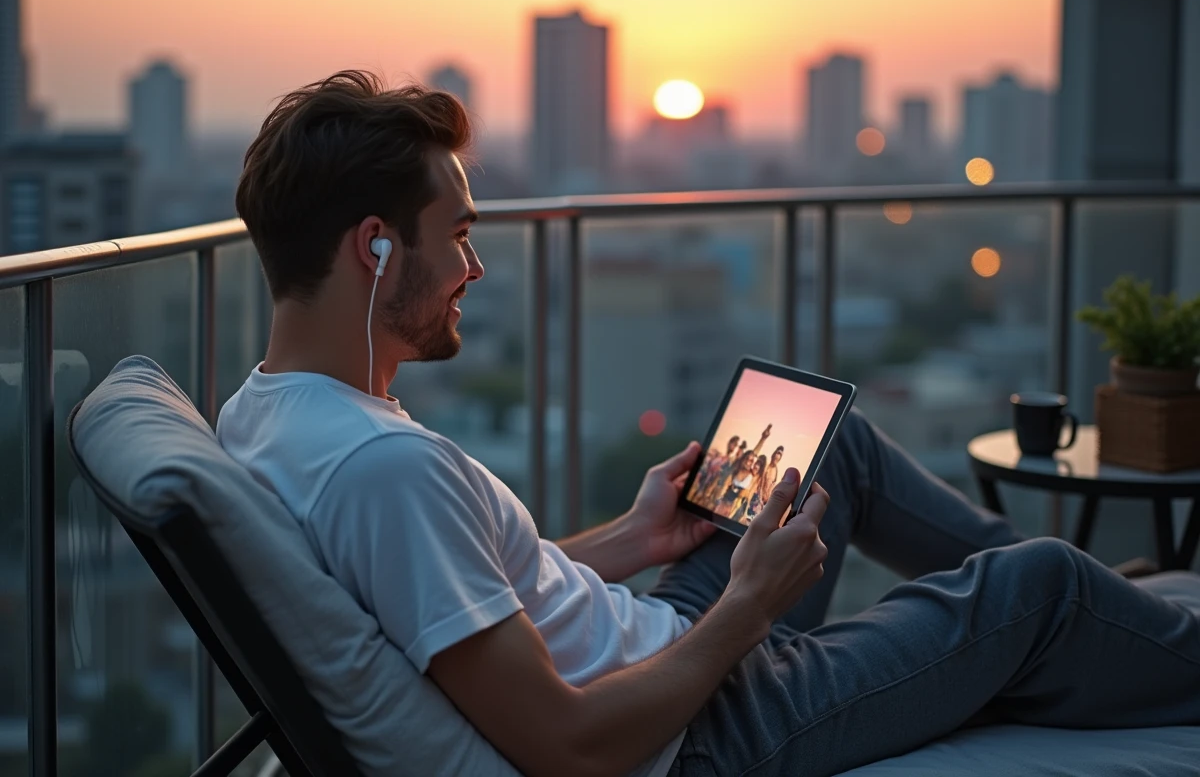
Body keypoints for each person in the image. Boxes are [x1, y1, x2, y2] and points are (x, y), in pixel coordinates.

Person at [217, 71, 1200, 777]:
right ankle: (1122, 619)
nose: (473, 270)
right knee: (1038, 586)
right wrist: (749, 606)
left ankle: (1123, 614)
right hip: (704, 726)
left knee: (827, 438)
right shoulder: (384, 468)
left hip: (664, 646)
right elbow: (571, 747)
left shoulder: (263, 413)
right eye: (459, 237)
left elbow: (461, 592)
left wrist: (635, 538)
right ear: (375, 249)